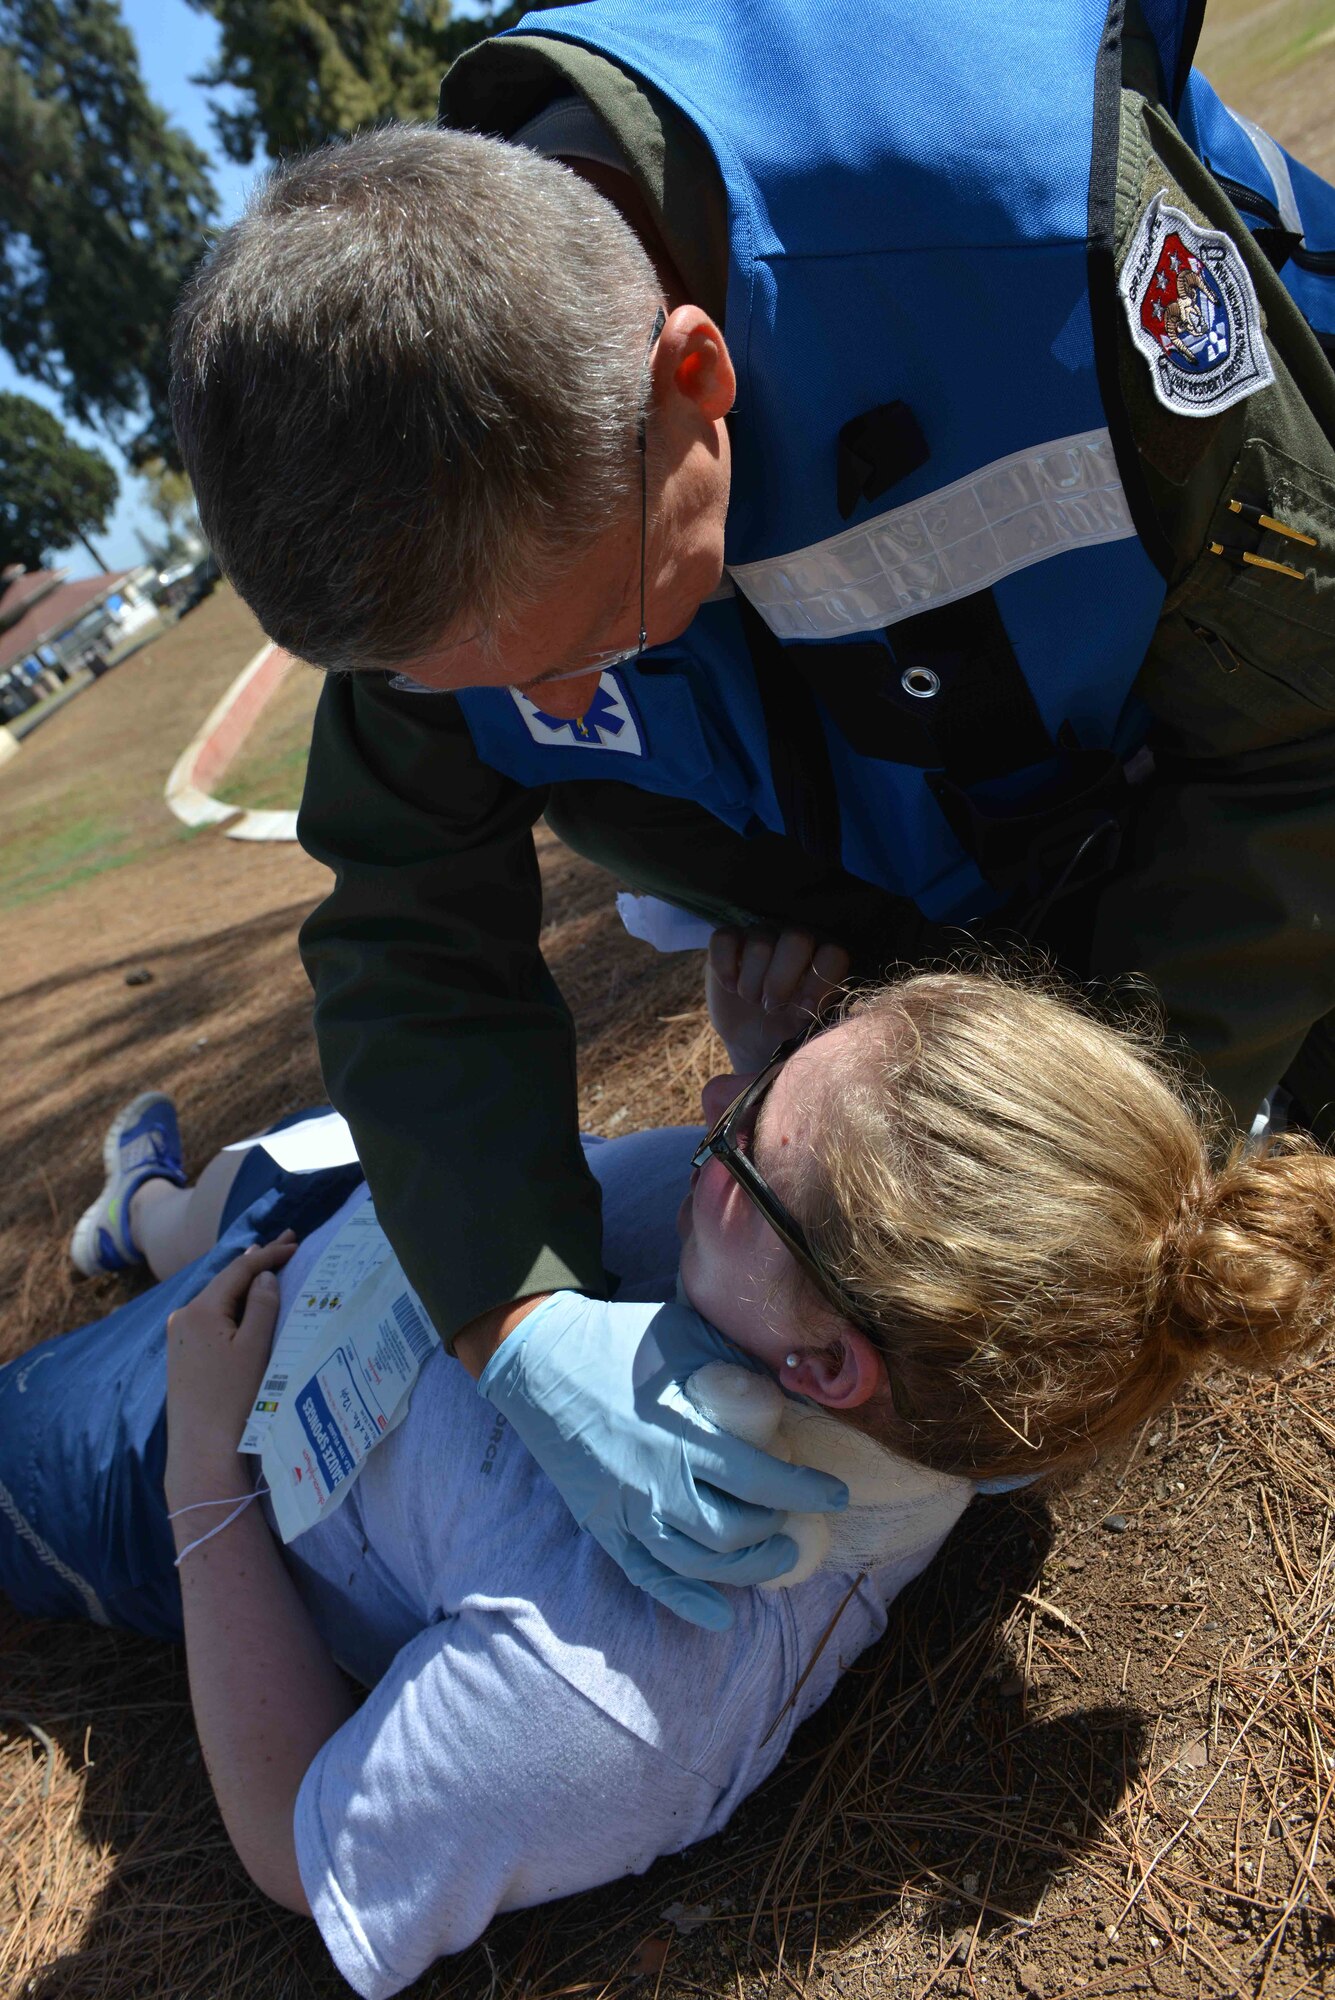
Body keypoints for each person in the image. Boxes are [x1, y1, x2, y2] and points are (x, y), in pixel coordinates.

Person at [166, 0, 1335, 1610]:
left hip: (1179, 749)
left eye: (592, 641)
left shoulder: (1022, 234)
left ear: (692, 376)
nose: (572, 706)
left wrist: (1078, 1140)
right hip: (943, 832)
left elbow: (1302, 741)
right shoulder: (437, 477)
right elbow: (406, 914)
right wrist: (519, 1318)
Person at [9, 968, 1335, 1996]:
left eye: (747, 1137)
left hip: (171, 1436)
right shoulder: (959, 1367)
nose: (709, 1108)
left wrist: (201, 1473)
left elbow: (307, 1852)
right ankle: (150, 1210)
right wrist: (780, 1085)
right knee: (260, 1180)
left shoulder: (612, 1689)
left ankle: (156, 1233)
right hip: (370, 1213)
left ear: (825, 1369)